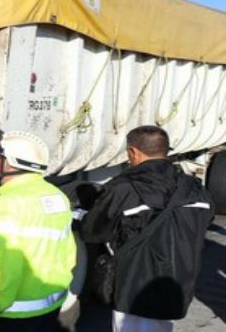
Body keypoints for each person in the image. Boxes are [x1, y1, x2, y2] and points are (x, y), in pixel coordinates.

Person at [81, 125, 214, 332]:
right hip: (178, 281)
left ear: (133, 152)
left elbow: (93, 231)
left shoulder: (123, 188)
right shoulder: (194, 188)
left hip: (132, 283)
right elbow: (206, 220)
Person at [0, 131, 75, 332]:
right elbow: (67, 251)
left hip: (15, 314)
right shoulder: (57, 196)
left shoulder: (7, 205)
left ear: (9, 164)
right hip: (52, 304)